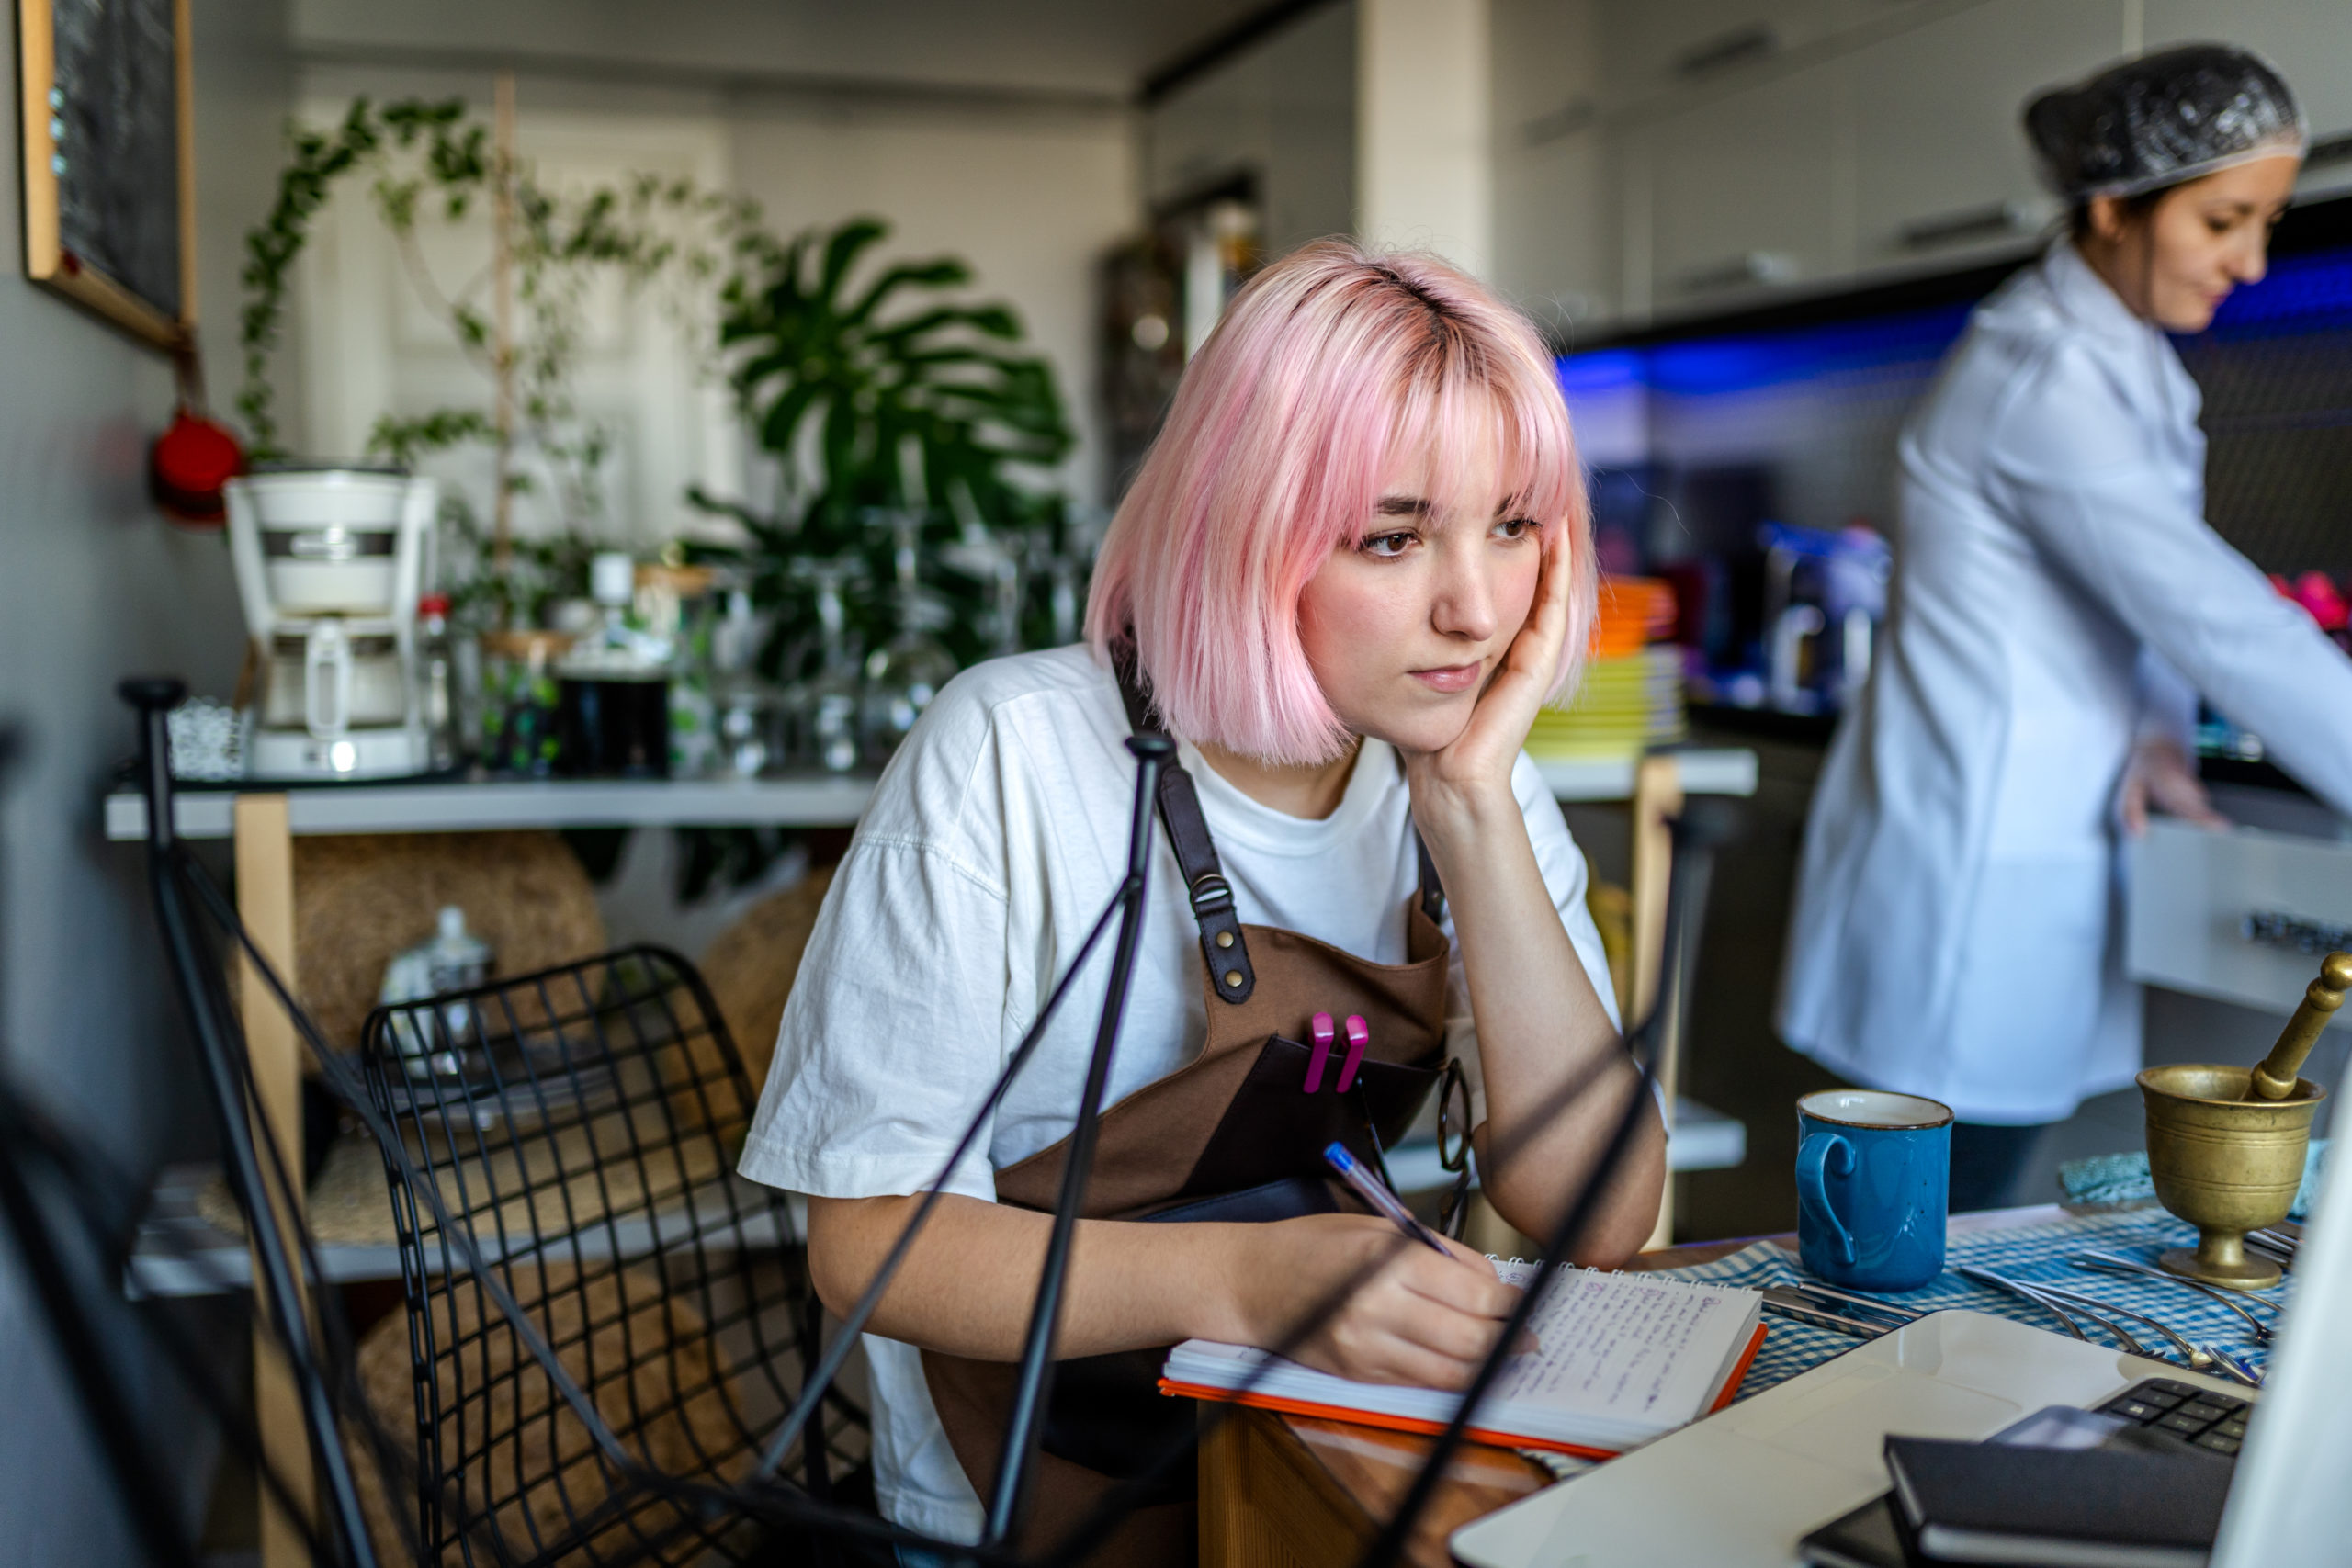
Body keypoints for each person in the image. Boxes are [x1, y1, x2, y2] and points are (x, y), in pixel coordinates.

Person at [738, 241, 1664, 1561]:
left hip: (1323, 1459)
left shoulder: (1468, 779)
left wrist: (1469, 808)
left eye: (1513, 526)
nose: (1472, 609)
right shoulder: (1012, 752)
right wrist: (1252, 1278)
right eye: (1394, 538)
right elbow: (869, 1244)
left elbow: (1606, 1210)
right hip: (1025, 1499)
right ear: (1246, 528)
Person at [1780, 45, 2352, 1213]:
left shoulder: (2112, 358)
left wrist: (2150, 738)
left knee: (1961, 1218)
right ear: (2111, 209)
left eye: (2268, 222)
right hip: (1972, 871)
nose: (2250, 261)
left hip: (2031, 841)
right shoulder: (2042, 378)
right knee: (1919, 1240)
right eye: (2224, 221)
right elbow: (2215, 620)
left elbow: (2112, 600)